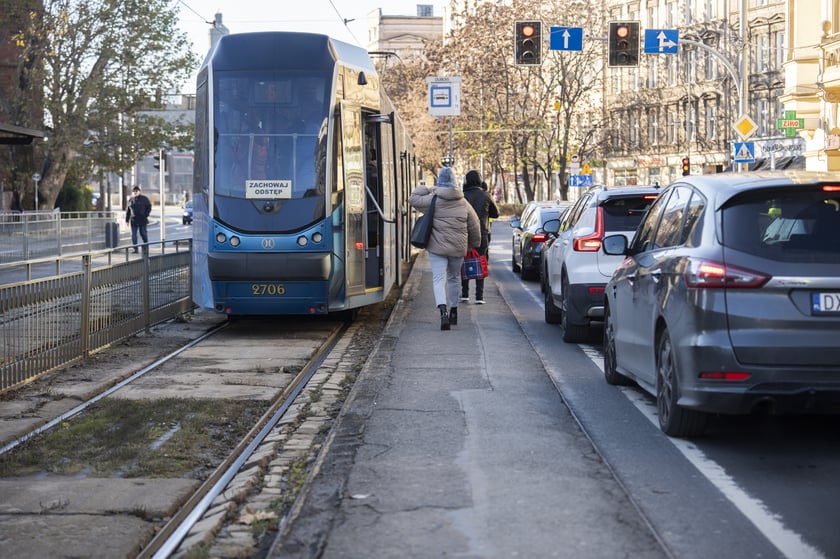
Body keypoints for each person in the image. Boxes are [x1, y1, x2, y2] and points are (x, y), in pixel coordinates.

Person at [409, 166, 480, 331]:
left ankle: (443, 312)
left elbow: (413, 198)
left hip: (437, 248)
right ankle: (454, 311)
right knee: (454, 278)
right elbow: (474, 226)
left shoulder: (433, 200)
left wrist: (429, 188)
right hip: (458, 249)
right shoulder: (464, 203)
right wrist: (473, 245)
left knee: (438, 279)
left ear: (439, 182)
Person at [460, 170, 499, 304]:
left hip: (465, 234)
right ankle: (479, 296)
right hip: (482, 234)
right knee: (481, 261)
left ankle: (464, 294)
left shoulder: (462, 196)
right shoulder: (486, 195)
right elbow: (496, 214)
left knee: (464, 261)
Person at [125, 185, 152, 253]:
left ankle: (146, 247)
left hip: (142, 220)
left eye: (136, 191)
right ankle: (135, 249)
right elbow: (128, 211)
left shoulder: (144, 199)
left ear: (139, 191)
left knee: (143, 233)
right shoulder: (131, 200)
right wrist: (127, 220)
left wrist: (146, 215)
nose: (135, 192)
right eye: (134, 191)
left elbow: (149, 207)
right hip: (133, 220)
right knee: (133, 235)